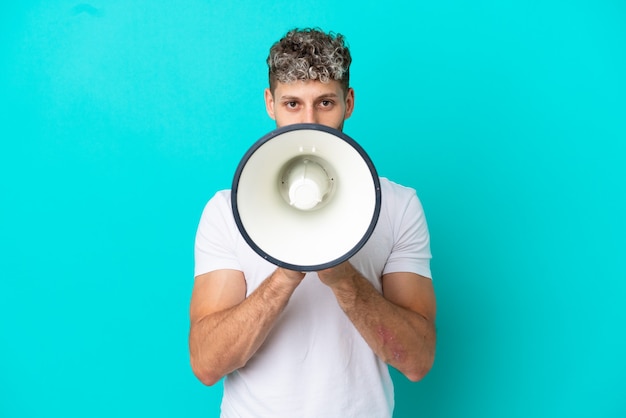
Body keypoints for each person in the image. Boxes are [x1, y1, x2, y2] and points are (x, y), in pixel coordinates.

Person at [189, 28, 436, 417]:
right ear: (270, 103)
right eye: (292, 104)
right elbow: (206, 363)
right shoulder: (226, 211)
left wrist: (342, 277)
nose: (310, 122)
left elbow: (417, 360)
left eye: (324, 102)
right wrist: (286, 274)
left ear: (348, 102)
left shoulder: (400, 206)